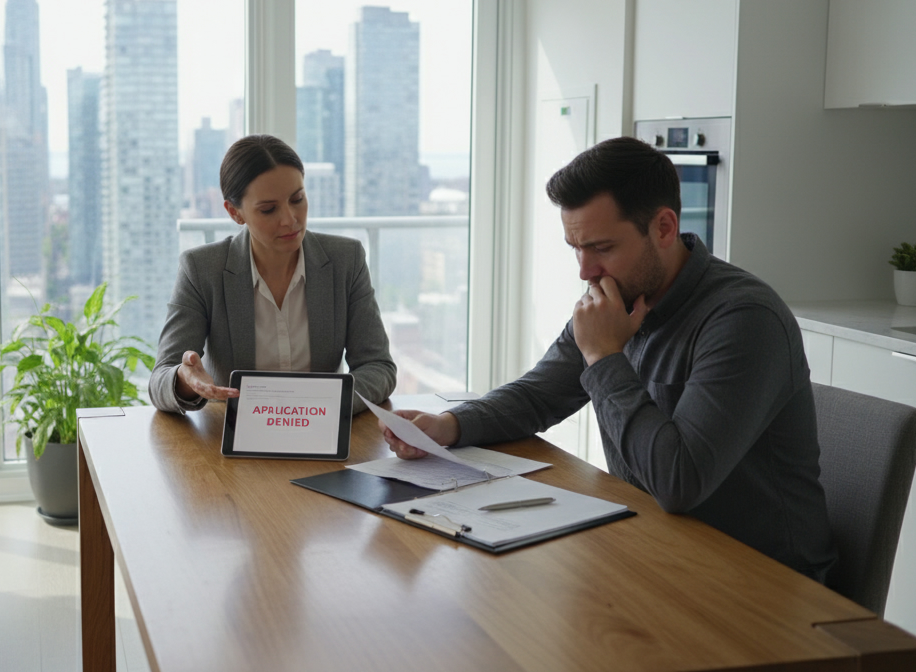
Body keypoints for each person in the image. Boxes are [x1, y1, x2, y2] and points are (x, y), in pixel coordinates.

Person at [382, 137, 836, 582]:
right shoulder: (619, 296)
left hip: (764, 581)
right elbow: (540, 394)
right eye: (575, 248)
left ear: (664, 228)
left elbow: (678, 482)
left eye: (602, 248)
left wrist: (603, 355)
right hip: (657, 549)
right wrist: (450, 425)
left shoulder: (744, 319)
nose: (585, 271)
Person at [149, 134, 396, 414]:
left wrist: (324, 405)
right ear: (235, 213)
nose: (290, 219)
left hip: (320, 428)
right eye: (268, 209)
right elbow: (160, 380)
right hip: (233, 433)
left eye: (297, 199)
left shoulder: (346, 260)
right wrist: (185, 380)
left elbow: (378, 367)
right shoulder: (202, 269)